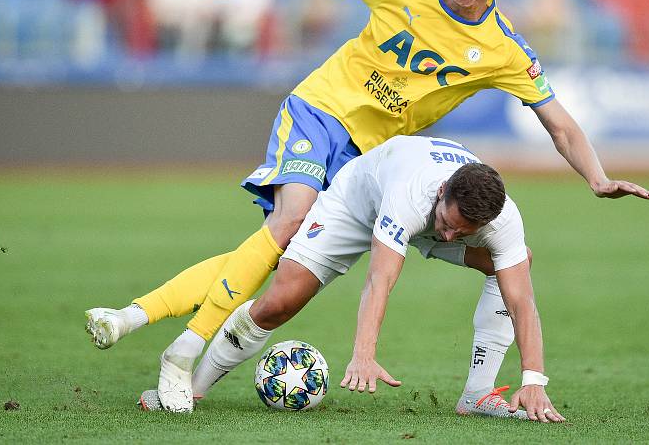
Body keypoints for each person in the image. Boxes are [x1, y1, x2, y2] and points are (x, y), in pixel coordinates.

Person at [85, 0, 649, 413]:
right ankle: (183, 354)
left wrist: (597, 177)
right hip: (319, 111)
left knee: (279, 265)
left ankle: (136, 315)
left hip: (366, 160)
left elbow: (560, 123)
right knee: (285, 225)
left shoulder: (505, 50)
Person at [142, 135, 566, 422]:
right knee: (281, 302)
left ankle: (477, 393)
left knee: (514, 265)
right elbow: (379, 280)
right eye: (449, 223)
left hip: (422, 218)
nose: (452, 236)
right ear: (441, 194)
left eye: (464, 231)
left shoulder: (501, 218)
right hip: (355, 206)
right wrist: (364, 353)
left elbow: (521, 301)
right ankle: (191, 388)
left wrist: (534, 380)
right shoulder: (412, 194)